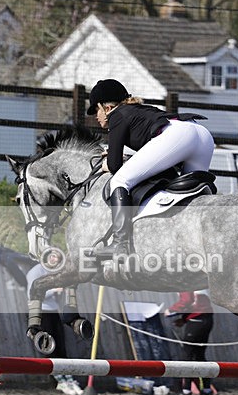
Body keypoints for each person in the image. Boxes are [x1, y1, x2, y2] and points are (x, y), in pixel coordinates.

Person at [87, 79, 215, 260]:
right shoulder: (138, 112)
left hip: (178, 136)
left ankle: (120, 244)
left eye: (96, 110)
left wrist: (107, 163)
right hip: (201, 134)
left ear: (107, 108)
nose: (95, 116)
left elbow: (114, 166)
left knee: (119, 181)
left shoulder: (117, 115)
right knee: (190, 195)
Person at [25, 263, 83, 395]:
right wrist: (54, 290)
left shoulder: (52, 270)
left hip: (53, 311)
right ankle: (60, 380)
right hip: (41, 313)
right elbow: (32, 294)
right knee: (49, 348)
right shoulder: (35, 272)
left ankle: (69, 379)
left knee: (61, 347)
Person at [164, 290, 215, 395]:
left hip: (197, 320)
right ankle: (206, 390)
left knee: (187, 356)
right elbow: (198, 302)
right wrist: (184, 319)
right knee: (199, 355)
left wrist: (171, 310)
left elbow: (187, 300)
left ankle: (186, 391)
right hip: (206, 319)